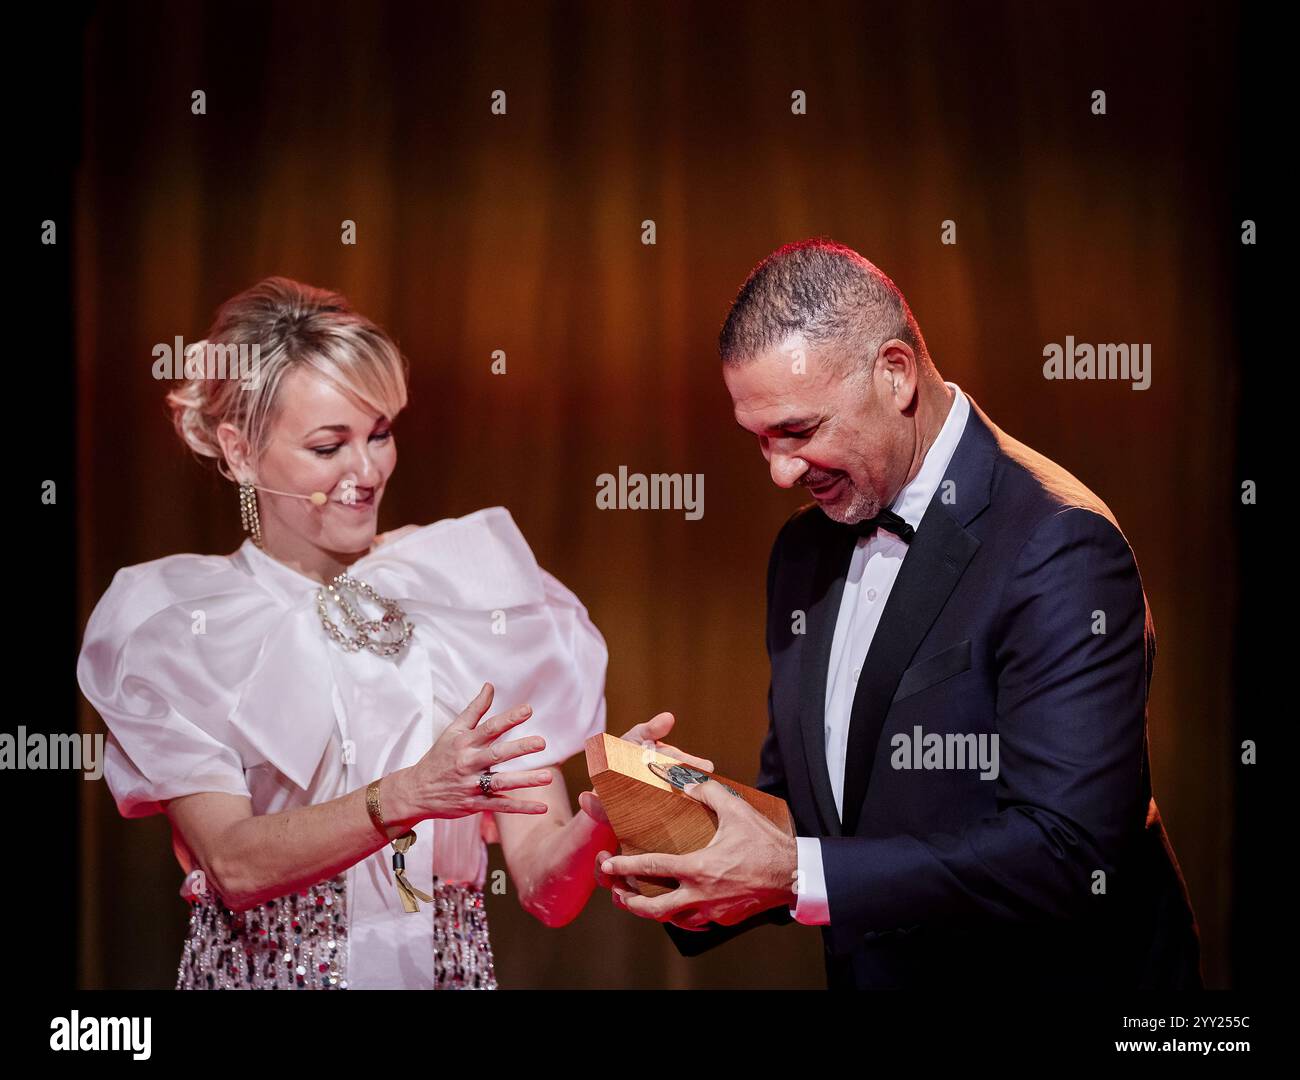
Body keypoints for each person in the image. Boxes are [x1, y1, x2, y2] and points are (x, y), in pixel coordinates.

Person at [593, 239, 1203, 989]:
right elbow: (817, 814)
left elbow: (1070, 856)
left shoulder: (1057, 542)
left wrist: (794, 875)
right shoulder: (801, 552)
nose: (779, 471)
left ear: (896, 374)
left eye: (799, 431)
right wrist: (680, 823)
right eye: (759, 440)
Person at [76, 276, 699, 989]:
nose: (366, 471)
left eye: (379, 434)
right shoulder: (182, 622)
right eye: (327, 446)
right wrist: (405, 795)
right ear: (241, 452)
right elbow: (235, 865)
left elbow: (545, 895)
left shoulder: (469, 590)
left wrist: (602, 812)